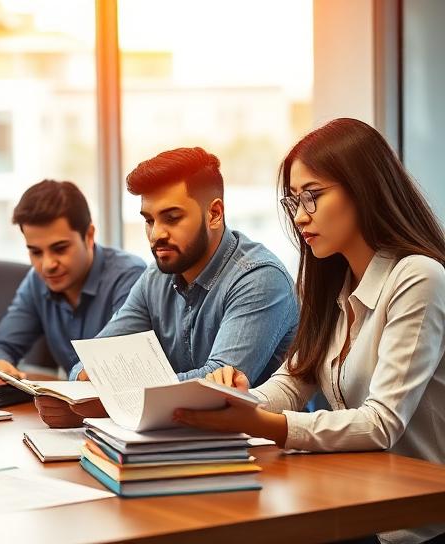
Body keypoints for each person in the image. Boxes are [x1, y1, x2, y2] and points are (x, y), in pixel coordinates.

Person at [174, 118, 445, 544]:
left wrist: (265, 424)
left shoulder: (418, 277)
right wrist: (235, 397)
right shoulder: (333, 285)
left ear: (364, 188)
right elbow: (292, 381)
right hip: (358, 507)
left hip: (414, 524)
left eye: (312, 197)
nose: (300, 217)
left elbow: (381, 424)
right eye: (294, 202)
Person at [36, 147, 299, 427]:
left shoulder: (259, 279)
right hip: (175, 440)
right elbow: (88, 362)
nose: (156, 234)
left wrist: (109, 389)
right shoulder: (156, 277)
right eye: (149, 220)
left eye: (172, 218)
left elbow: (215, 387)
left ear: (214, 213)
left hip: (264, 453)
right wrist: (94, 379)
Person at [0, 180, 145, 384]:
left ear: (89, 236)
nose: (47, 265)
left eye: (60, 248)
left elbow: (119, 366)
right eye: (35, 252)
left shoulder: (129, 277)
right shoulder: (36, 282)